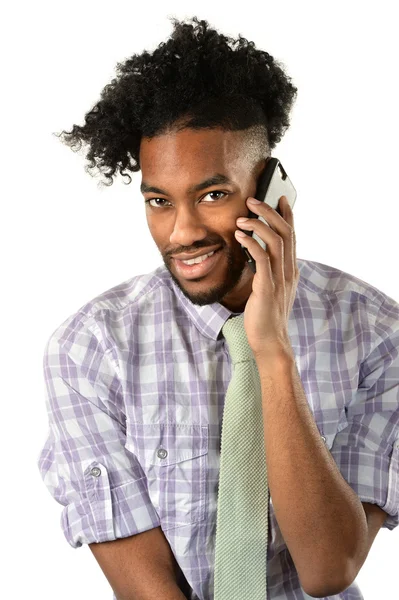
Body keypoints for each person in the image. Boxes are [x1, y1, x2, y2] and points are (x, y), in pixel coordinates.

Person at [37, 15, 399, 600]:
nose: (182, 232)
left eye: (212, 195)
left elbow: (330, 567)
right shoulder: (89, 348)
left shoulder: (377, 334)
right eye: (159, 201)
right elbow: (147, 590)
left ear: (271, 190)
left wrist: (272, 353)